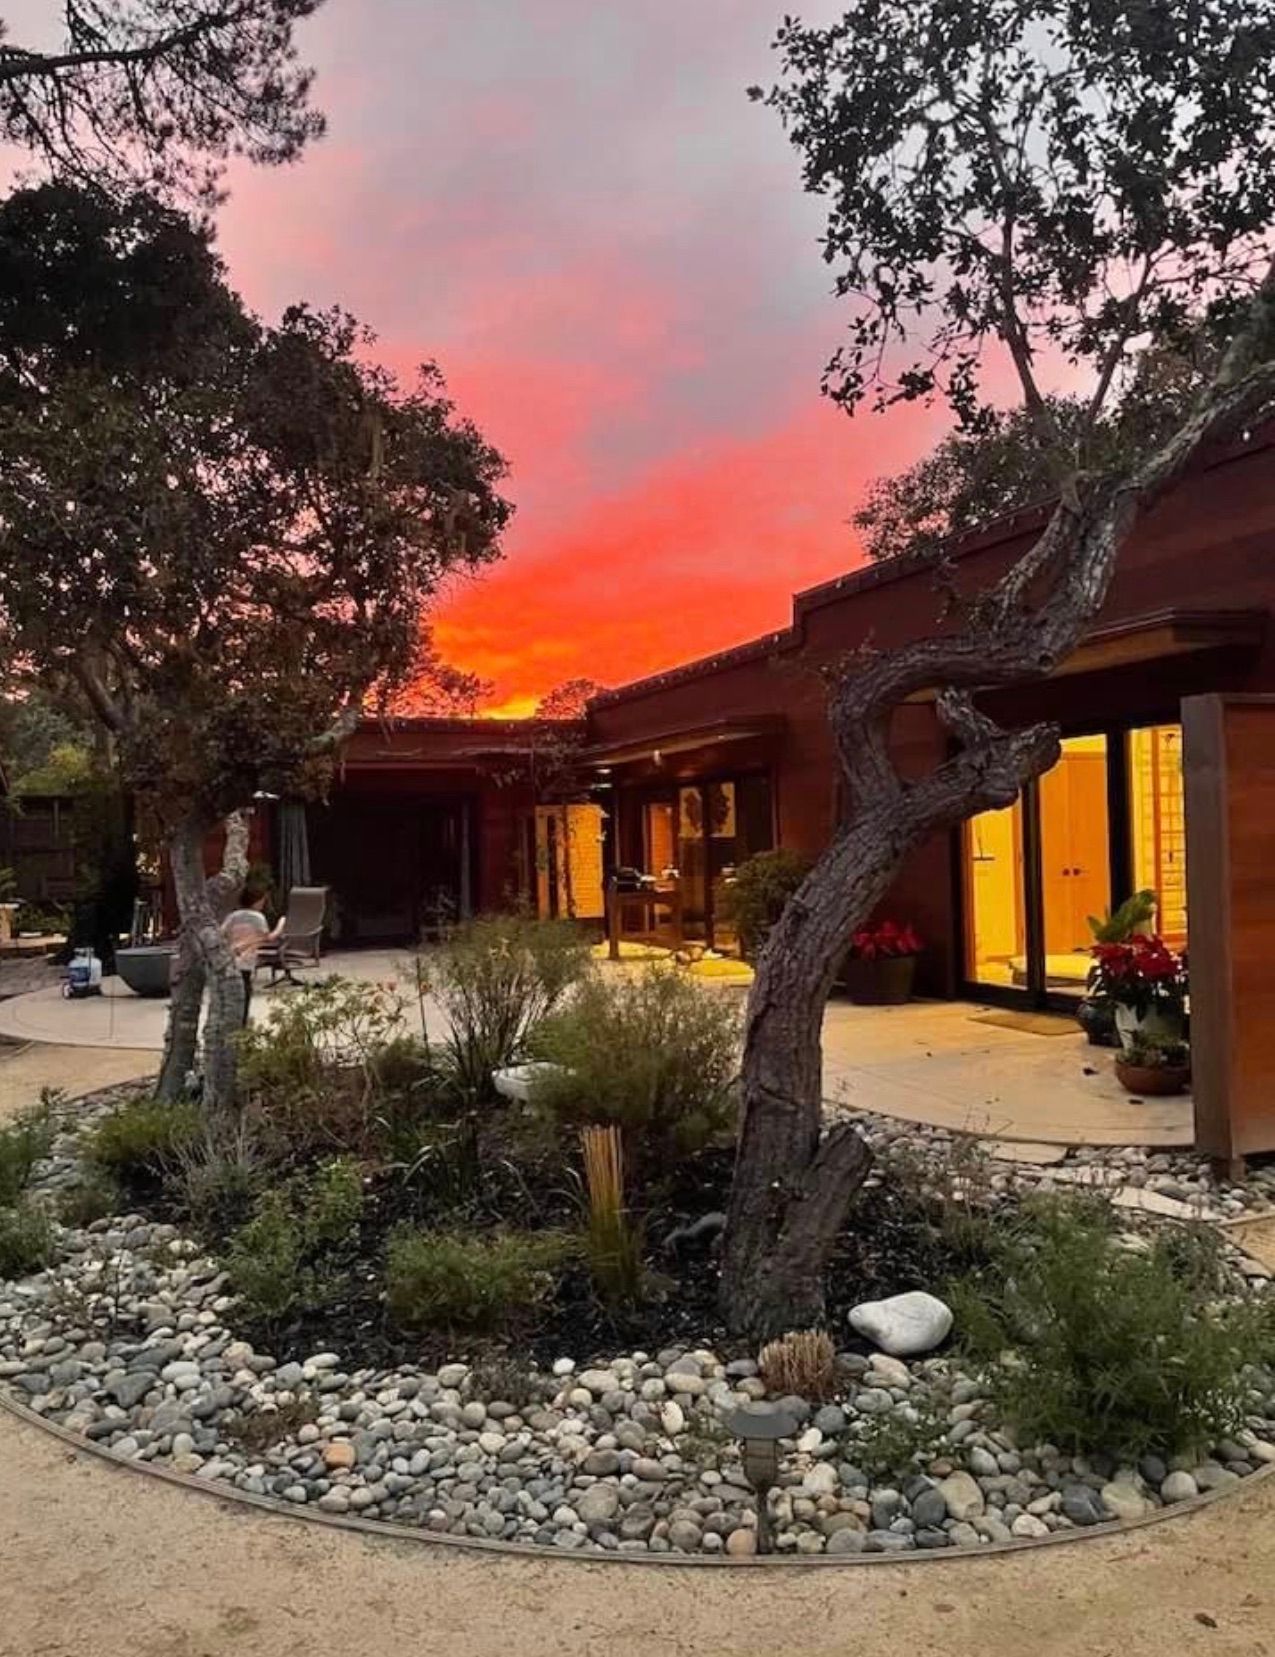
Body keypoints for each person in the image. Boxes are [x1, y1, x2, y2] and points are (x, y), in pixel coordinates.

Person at [220, 883, 283, 1021]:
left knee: (231, 993)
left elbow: (222, 933)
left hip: (230, 958)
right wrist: (280, 925)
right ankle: (242, 1022)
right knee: (245, 991)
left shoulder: (233, 916)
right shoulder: (257, 917)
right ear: (256, 901)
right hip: (246, 959)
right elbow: (267, 938)